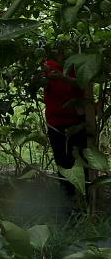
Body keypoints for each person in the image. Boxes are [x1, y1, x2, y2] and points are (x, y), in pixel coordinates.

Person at [42, 57, 88, 197]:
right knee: (62, 161)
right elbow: (41, 83)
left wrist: (63, 78)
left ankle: (85, 197)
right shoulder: (48, 65)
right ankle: (67, 199)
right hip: (56, 122)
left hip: (78, 121)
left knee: (81, 161)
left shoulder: (78, 63)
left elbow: (85, 83)